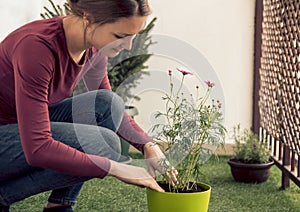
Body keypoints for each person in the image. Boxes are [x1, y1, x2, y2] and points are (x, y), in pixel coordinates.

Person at [0, 0, 177, 211]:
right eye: (120, 36)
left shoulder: (94, 48)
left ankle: (59, 206)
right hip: (8, 136)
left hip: (19, 127)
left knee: (106, 104)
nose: (128, 46)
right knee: (101, 143)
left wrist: (149, 146)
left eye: (133, 36)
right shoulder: (37, 47)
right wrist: (116, 168)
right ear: (89, 19)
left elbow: (108, 108)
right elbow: (38, 148)